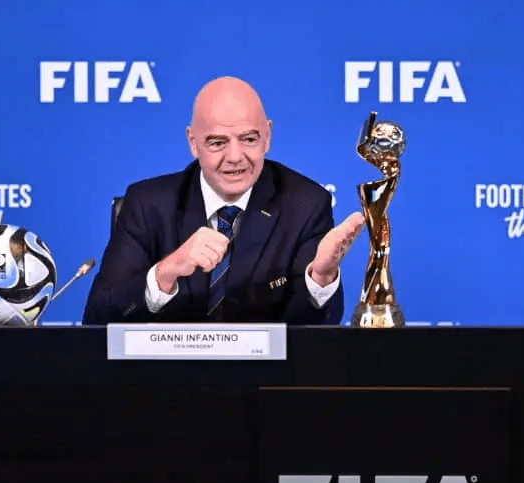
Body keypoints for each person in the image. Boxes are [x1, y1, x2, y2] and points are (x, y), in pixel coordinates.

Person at [82, 76, 365, 325]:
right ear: (193, 142)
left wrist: (321, 277)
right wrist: (165, 273)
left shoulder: (305, 204)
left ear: (267, 137)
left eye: (249, 139)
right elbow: (98, 318)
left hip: (266, 371)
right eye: (217, 143)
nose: (235, 157)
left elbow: (312, 335)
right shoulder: (148, 205)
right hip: (166, 370)